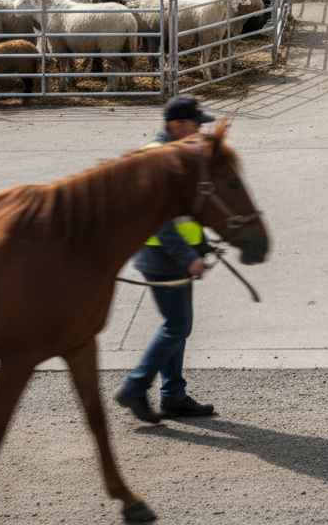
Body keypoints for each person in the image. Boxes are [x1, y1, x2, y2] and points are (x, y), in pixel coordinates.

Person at [114, 96, 217, 422]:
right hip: (161, 255)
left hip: (170, 255)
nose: (200, 129)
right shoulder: (158, 158)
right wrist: (188, 256)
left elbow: (183, 211)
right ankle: (134, 386)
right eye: (195, 123)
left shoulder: (176, 154)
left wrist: (201, 245)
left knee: (179, 326)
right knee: (176, 326)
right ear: (176, 125)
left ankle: (173, 394)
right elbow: (159, 218)